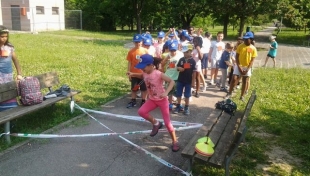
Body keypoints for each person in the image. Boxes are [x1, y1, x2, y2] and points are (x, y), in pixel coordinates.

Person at [127, 54, 180, 152]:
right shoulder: (145, 73)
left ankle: (175, 141)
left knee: (168, 123)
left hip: (162, 100)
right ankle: (156, 123)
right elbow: (142, 75)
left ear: (151, 65)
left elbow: (171, 81)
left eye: (144, 67)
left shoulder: (158, 74)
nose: (142, 69)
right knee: (141, 112)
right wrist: (132, 74)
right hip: (152, 99)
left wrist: (166, 93)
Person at [225, 32, 257, 101]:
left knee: (245, 81)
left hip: (247, 67)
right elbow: (237, 57)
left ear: (251, 39)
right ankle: (229, 93)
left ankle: (242, 96)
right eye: (244, 39)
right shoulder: (240, 46)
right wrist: (239, 67)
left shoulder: (253, 48)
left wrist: (247, 69)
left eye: (247, 39)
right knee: (234, 79)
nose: (245, 41)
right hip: (239, 65)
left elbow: (252, 60)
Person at [0, 25, 23, 111]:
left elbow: (16, 61)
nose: (4, 38)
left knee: (8, 91)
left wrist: (19, 74)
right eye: (2, 36)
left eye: (6, 36)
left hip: (8, 74)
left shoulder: (9, 47)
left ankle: (10, 110)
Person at [126, 34, 148, 108]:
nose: (137, 43)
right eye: (136, 42)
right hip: (134, 73)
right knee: (134, 88)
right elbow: (129, 62)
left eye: (139, 42)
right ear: (133, 42)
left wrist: (148, 72)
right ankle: (133, 100)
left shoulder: (145, 51)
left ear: (141, 42)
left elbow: (148, 61)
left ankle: (143, 101)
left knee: (144, 88)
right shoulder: (131, 51)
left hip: (143, 74)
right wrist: (129, 73)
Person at [161, 40, 184, 110]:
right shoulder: (168, 55)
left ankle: (179, 104)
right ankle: (170, 103)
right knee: (169, 91)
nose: (173, 52)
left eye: (174, 50)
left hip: (177, 75)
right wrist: (166, 61)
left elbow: (184, 63)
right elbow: (162, 64)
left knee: (178, 91)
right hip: (169, 76)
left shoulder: (181, 54)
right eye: (171, 50)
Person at [174, 44, 196, 115]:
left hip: (188, 81)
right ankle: (178, 106)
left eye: (186, 52)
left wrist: (193, 82)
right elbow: (177, 67)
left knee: (187, 95)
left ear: (190, 52)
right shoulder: (181, 59)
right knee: (178, 94)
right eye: (184, 52)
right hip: (180, 80)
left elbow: (194, 72)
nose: (185, 54)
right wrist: (179, 68)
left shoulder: (193, 61)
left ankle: (186, 107)